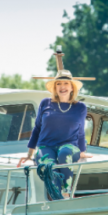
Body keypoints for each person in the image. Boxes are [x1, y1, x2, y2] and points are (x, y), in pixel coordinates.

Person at [18, 69, 92, 199]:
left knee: (64, 154)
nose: (62, 87)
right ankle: (58, 199)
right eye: (58, 84)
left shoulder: (80, 107)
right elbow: (37, 128)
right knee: (49, 165)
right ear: (55, 87)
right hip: (46, 146)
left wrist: (82, 152)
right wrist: (29, 154)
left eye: (66, 83)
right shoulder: (45, 103)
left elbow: (80, 133)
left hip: (70, 146)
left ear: (72, 87)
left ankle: (67, 192)